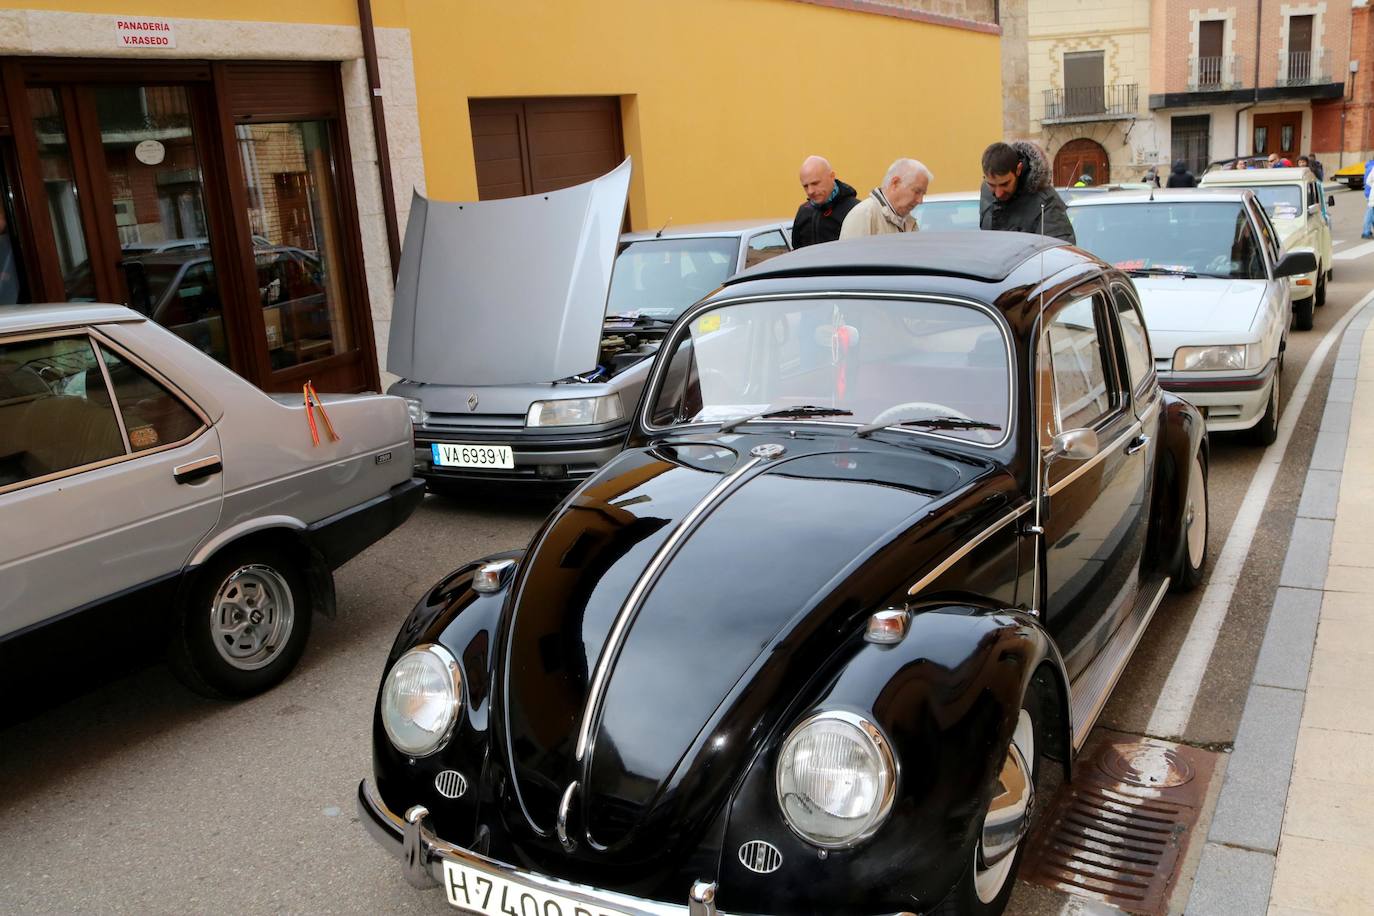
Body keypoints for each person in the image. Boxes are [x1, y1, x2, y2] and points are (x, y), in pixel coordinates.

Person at [978, 140, 1075, 242]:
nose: (998, 193)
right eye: (992, 185)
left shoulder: (1047, 203)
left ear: (1018, 169)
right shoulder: (986, 191)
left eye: (1005, 184)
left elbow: (1059, 253)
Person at [839, 158, 931, 238]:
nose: (920, 201)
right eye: (917, 191)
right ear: (895, 183)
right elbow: (851, 257)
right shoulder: (864, 215)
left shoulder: (908, 221)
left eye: (923, 194)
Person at [791, 155, 860, 249]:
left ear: (832, 176)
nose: (810, 191)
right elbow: (796, 252)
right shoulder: (803, 212)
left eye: (815, 183)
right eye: (805, 186)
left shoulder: (855, 210)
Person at [1362, 159, 1374, 239]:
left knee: (1371, 212)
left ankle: (1367, 231)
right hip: (1371, 193)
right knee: (1370, 213)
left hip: (1370, 192)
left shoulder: (1369, 166)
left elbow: (1368, 181)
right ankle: (1366, 232)